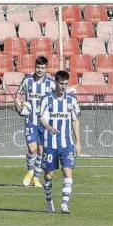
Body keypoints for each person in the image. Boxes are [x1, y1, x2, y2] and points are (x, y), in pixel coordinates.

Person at [40, 70, 81, 214]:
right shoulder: (47, 99)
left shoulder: (72, 101)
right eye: (61, 83)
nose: (63, 86)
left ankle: (64, 204)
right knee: (48, 176)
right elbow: (42, 118)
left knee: (67, 171)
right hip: (50, 144)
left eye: (65, 84)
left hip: (67, 144)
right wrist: (48, 127)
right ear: (55, 83)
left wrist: (78, 143)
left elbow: (75, 121)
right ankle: (49, 201)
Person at [15, 56, 55, 187]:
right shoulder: (27, 80)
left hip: (44, 122)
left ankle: (36, 179)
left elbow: (56, 98)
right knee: (32, 149)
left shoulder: (50, 83)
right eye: (38, 67)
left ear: (46, 68)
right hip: (30, 120)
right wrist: (18, 104)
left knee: (41, 150)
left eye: (42, 68)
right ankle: (30, 172)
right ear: (34, 67)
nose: (40, 70)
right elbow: (18, 95)